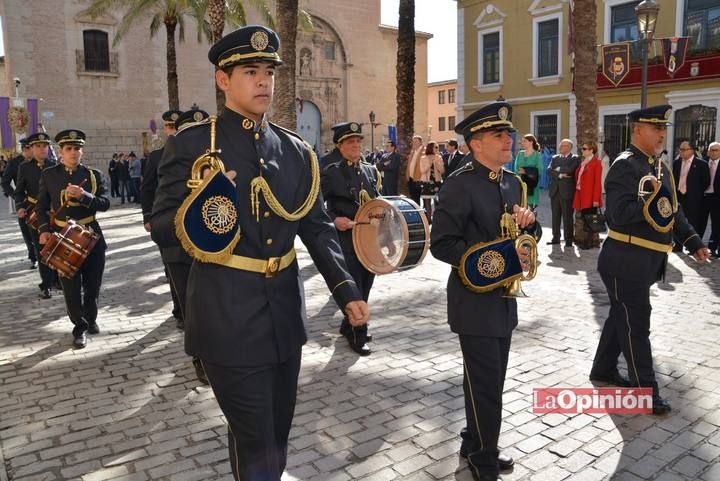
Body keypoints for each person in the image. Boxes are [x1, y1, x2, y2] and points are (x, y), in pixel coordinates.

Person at [150, 25, 369, 481]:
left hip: (284, 315)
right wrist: (207, 204)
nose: (264, 80)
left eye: (268, 70)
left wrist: (346, 289)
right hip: (225, 311)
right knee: (256, 441)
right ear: (222, 79)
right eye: (251, 71)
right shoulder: (193, 144)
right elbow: (161, 226)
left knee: (275, 434)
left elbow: (316, 225)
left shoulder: (295, 150)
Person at [431, 102, 540, 481]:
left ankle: (473, 439)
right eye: (499, 135)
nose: (508, 139)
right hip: (473, 300)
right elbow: (442, 244)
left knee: (485, 379)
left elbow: (526, 235)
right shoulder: (459, 184)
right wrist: (491, 261)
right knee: (487, 382)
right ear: (476, 144)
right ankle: (484, 456)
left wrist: (530, 229)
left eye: (508, 133)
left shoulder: (513, 182)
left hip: (504, 302)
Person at [591, 105, 710, 416]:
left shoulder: (659, 167)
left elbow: (673, 210)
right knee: (636, 324)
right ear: (636, 131)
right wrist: (651, 203)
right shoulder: (624, 166)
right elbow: (616, 215)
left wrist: (693, 240)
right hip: (624, 260)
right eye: (655, 128)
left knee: (623, 316)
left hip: (644, 261)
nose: (661, 134)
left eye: (663, 128)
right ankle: (646, 392)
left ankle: (603, 370)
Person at [143, 108, 210, 385]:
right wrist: (149, 219)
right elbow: (148, 189)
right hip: (175, 242)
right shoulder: (159, 157)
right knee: (190, 306)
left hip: (210, 245)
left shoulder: (216, 156)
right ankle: (201, 359)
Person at [36, 130, 110, 348]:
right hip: (63, 238)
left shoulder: (94, 175)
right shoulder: (49, 175)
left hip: (91, 235)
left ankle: (91, 318)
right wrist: (43, 229)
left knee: (93, 283)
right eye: (69, 149)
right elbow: (41, 207)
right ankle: (79, 327)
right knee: (70, 286)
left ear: (82, 151)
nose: (73, 153)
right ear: (61, 151)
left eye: (77, 148)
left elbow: (105, 203)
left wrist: (84, 196)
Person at [321, 122, 381, 356]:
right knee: (354, 284)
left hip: (367, 238)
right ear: (340, 145)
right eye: (350, 142)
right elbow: (317, 207)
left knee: (367, 281)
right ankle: (358, 332)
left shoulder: (368, 168)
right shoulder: (329, 169)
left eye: (358, 141)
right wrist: (335, 220)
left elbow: (376, 200)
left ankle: (349, 324)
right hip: (345, 239)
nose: (356, 145)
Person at [14, 132, 56, 299]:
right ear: (31, 148)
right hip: (34, 212)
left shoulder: (54, 165)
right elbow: (18, 192)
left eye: (45, 145)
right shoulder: (24, 167)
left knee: (56, 247)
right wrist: (20, 207)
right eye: (38, 146)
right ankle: (46, 284)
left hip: (54, 212)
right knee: (41, 249)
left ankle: (57, 280)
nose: (42, 149)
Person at [2, 139, 37, 269]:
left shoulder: (37, 162)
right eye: (31, 149)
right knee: (27, 230)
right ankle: (33, 256)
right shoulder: (14, 163)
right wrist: (15, 195)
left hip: (39, 199)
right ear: (26, 149)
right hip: (23, 200)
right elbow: (5, 182)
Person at [672, 140, 710, 247]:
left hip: (693, 198)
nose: (681, 152)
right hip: (679, 196)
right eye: (680, 149)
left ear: (692, 150)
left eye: (684, 150)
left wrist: (695, 191)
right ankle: (678, 246)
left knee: (694, 222)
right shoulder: (676, 163)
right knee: (677, 221)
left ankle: (694, 246)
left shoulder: (702, 164)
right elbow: (673, 179)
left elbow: (706, 182)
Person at [547, 139, 580, 247]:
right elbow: (548, 170)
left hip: (567, 192)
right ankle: (555, 238)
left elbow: (570, 169)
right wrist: (560, 175)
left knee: (567, 217)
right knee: (555, 216)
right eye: (560, 145)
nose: (560, 147)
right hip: (554, 192)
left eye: (563, 146)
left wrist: (558, 168)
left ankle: (568, 240)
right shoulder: (554, 158)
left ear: (569, 147)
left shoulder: (575, 158)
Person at [573, 141, 603, 249]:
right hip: (581, 195)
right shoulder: (583, 162)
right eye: (582, 148)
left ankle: (589, 242)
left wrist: (596, 199)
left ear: (591, 150)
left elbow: (597, 183)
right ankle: (586, 241)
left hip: (590, 197)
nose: (582, 150)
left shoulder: (596, 163)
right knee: (585, 219)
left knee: (589, 220)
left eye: (585, 149)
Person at [513, 134, 543, 210]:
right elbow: (516, 169)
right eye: (522, 141)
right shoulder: (520, 154)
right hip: (520, 185)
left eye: (524, 141)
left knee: (529, 211)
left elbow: (540, 170)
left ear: (531, 142)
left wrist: (526, 171)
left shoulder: (537, 155)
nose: (522, 143)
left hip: (531, 186)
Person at [701, 142, 720, 257]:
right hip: (703, 197)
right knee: (700, 222)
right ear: (708, 151)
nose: (713, 152)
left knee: (716, 224)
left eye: (716, 150)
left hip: (717, 198)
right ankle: (696, 246)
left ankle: (713, 248)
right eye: (711, 150)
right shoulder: (702, 163)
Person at [419, 141, 444, 219]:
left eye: (437, 147)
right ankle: (429, 219)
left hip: (437, 182)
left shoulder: (439, 157)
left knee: (437, 201)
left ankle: (437, 219)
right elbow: (422, 171)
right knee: (427, 202)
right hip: (426, 182)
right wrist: (429, 164)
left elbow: (442, 171)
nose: (437, 149)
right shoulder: (423, 158)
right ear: (430, 148)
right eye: (435, 147)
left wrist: (437, 163)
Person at [405, 134, 424, 204]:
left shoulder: (424, 151)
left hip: (419, 179)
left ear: (420, 142)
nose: (414, 143)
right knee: (413, 198)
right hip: (411, 178)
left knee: (419, 198)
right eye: (413, 141)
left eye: (416, 141)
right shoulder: (413, 151)